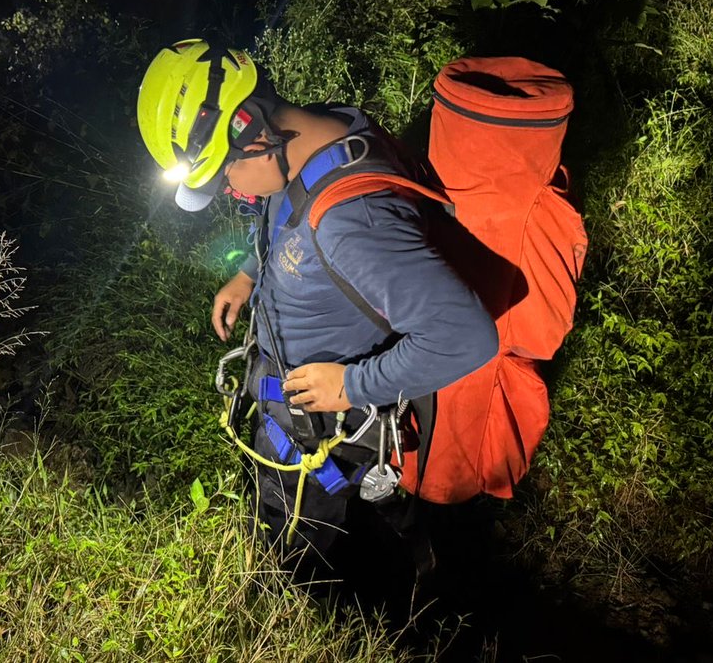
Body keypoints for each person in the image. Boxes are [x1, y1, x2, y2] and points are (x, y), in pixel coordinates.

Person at [136, 38, 498, 561]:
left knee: (294, 542)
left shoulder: (353, 225)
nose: (235, 194)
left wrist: (351, 385)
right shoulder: (322, 132)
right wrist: (248, 273)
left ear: (253, 133)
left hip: (323, 428)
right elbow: (287, 211)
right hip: (292, 391)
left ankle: (297, 606)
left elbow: (465, 336)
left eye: (226, 179)